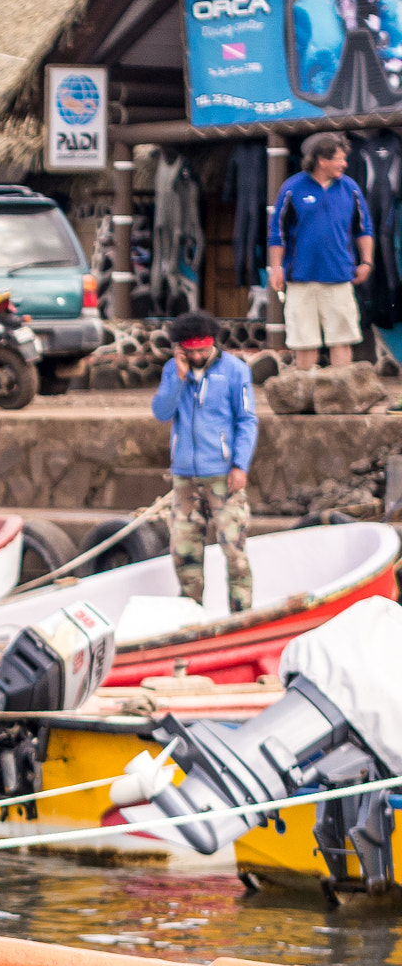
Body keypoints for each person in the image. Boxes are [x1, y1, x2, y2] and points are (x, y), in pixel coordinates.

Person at [152, 311, 258, 613]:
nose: (198, 355)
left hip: (222, 475)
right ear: (181, 349)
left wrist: (240, 464)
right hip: (185, 477)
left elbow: (246, 420)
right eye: (191, 351)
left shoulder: (235, 371)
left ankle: (241, 615)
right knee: (184, 553)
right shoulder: (174, 370)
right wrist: (179, 378)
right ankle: (190, 614)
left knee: (234, 553)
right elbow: (162, 411)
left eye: (203, 349)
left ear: (212, 344)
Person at [267, 131, 374, 369]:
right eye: (339, 158)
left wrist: (366, 262)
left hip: (339, 276)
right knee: (304, 342)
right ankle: (305, 390)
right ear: (321, 160)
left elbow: (363, 228)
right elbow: (278, 233)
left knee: (342, 339)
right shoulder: (292, 187)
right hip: (300, 278)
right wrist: (276, 268)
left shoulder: (350, 188)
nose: (344, 164)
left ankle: (341, 392)